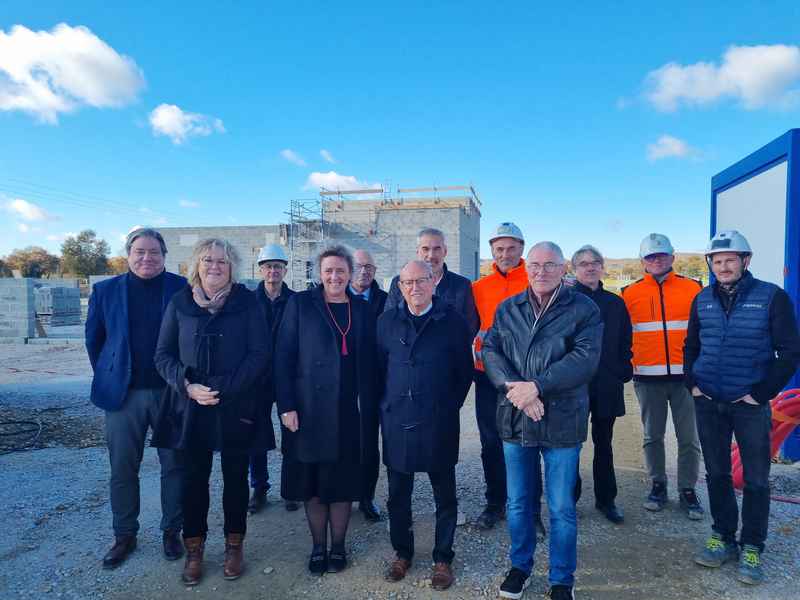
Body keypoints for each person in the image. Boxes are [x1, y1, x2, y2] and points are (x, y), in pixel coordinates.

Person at [483, 241, 602, 600]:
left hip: (562, 420)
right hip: (516, 417)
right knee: (518, 502)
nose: (540, 271)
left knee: (562, 507)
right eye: (534, 264)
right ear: (526, 267)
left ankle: (561, 579)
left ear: (563, 268)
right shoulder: (508, 308)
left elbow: (584, 359)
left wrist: (536, 387)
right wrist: (514, 389)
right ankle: (520, 567)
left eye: (549, 265)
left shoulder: (584, 308)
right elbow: (491, 350)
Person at [152, 238, 270, 585]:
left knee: (235, 479)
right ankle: (194, 549)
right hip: (190, 407)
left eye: (222, 261)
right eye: (208, 260)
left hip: (235, 404)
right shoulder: (179, 303)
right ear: (196, 265)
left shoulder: (247, 303)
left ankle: (234, 545)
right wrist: (187, 387)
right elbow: (163, 355)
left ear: (232, 267)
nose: (215, 266)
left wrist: (224, 387)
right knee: (193, 480)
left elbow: (259, 354)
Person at [685, 230, 800, 585]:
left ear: (745, 261)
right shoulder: (702, 299)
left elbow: (789, 352)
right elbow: (691, 345)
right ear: (711, 264)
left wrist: (761, 394)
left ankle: (752, 544)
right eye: (717, 261)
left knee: (756, 479)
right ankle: (722, 534)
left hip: (749, 406)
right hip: (709, 402)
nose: (723, 266)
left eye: (730, 260)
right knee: (717, 472)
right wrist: (693, 384)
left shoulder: (771, 297)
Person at [85, 227, 186, 569]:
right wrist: (113, 374)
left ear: (163, 255)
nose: (147, 257)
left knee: (174, 465)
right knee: (123, 468)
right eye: (140, 251)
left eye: (154, 251)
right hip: (123, 397)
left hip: (170, 394)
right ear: (128, 254)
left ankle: (172, 529)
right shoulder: (105, 291)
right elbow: (95, 342)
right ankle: (124, 534)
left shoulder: (180, 288)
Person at [275, 245, 377, 575]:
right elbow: (284, 358)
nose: (335, 276)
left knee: (342, 483)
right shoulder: (301, 304)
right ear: (320, 274)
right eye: (328, 270)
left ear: (351, 273)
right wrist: (286, 405)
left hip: (349, 411)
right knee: (314, 484)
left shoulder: (361, 310)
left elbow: (374, 360)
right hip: (308, 410)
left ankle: (339, 546)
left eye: (341, 271)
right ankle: (318, 546)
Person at [377, 260, 473, 590]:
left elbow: (464, 373)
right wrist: (388, 406)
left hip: (438, 420)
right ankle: (402, 553)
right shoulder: (386, 322)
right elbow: (379, 371)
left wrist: (446, 406)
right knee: (398, 495)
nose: (414, 287)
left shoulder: (454, 322)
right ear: (400, 287)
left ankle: (443, 557)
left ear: (434, 283)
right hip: (397, 419)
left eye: (421, 280)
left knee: (444, 495)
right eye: (407, 282)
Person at [621, 233, 704, 518]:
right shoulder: (629, 293)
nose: (656, 260)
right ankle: (658, 484)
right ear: (642, 260)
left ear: (672, 256)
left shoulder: (693, 288)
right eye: (650, 256)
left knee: (689, 438)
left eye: (661, 255)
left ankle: (687, 490)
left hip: (686, 378)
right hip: (647, 378)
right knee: (652, 436)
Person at [472, 223, 544, 537]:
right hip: (487, 377)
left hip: (526, 379)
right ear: (492, 251)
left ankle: (532, 509)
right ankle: (495, 502)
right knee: (491, 443)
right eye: (499, 249)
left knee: (529, 441)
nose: (505, 254)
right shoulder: (478, 287)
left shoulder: (535, 281)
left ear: (521, 249)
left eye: (511, 248)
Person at [572, 245, 633, 524]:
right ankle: (568, 500)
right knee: (570, 444)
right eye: (583, 263)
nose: (590, 267)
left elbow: (625, 341)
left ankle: (606, 499)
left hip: (606, 384)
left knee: (604, 444)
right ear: (574, 269)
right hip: (573, 386)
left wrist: (621, 370)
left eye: (595, 262)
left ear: (602, 267)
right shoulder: (565, 301)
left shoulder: (615, 303)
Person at [248, 243, 299, 514]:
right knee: (256, 434)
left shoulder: (296, 300)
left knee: (291, 431)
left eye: (277, 267)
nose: (272, 271)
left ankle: (291, 488)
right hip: (256, 379)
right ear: (260, 270)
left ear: (285, 270)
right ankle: (259, 487)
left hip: (288, 376)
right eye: (268, 266)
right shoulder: (247, 300)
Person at [349, 248, 388, 522]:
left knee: (368, 444)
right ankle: (341, 495)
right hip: (338, 383)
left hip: (373, 383)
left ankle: (366, 497)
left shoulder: (385, 301)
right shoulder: (334, 297)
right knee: (340, 441)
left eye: (369, 268)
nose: (364, 272)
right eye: (360, 266)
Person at [384, 227, 479, 338]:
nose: (431, 255)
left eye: (437, 249)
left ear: (445, 251)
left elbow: (470, 327)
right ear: (418, 252)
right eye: (425, 249)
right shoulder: (400, 282)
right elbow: (389, 321)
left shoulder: (462, 286)